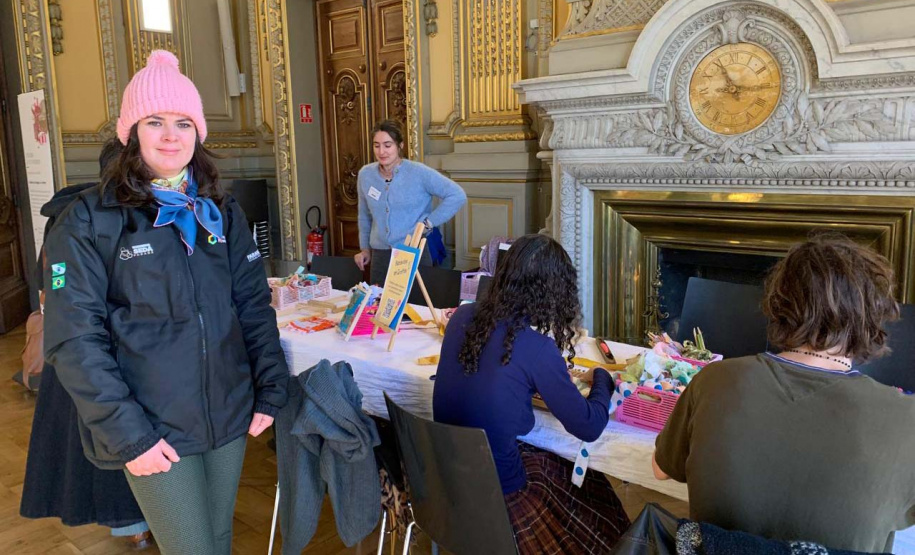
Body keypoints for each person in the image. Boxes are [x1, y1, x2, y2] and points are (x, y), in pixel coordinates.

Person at [42, 50, 288, 555]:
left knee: (217, 539)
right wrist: (128, 435)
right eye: (155, 121)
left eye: (183, 122)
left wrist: (270, 387)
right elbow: (73, 340)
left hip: (228, 412)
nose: (171, 135)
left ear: (198, 133)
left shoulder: (219, 210)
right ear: (131, 130)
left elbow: (252, 305)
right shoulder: (89, 220)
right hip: (151, 425)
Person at [653, 233, 915, 553]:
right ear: (871, 314)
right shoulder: (906, 419)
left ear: (778, 303)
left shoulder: (712, 381)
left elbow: (660, 469)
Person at [433, 234, 631, 554]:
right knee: (592, 487)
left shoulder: (462, 317)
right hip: (503, 496)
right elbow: (590, 427)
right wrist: (602, 380)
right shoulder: (538, 349)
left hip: (448, 480)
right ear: (553, 292)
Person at [20, 139, 152, 550]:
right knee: (116, 442)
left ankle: (135, 525)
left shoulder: (68, 213)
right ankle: (133, 524)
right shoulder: (78, 219)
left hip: (98, 352)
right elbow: (57, 291)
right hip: (100, 352)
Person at [354, 119, 466, 285]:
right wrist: (365, 249)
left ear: (400, 146)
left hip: (413, 251)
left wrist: (427, 224)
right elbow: (364, 215)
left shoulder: (418, 172)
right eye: (376, 145)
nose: (382, 151)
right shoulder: (366, 174)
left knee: (416, 306)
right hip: (381, 255)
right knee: (379, 306)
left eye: (387, 145)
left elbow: (457, 195)